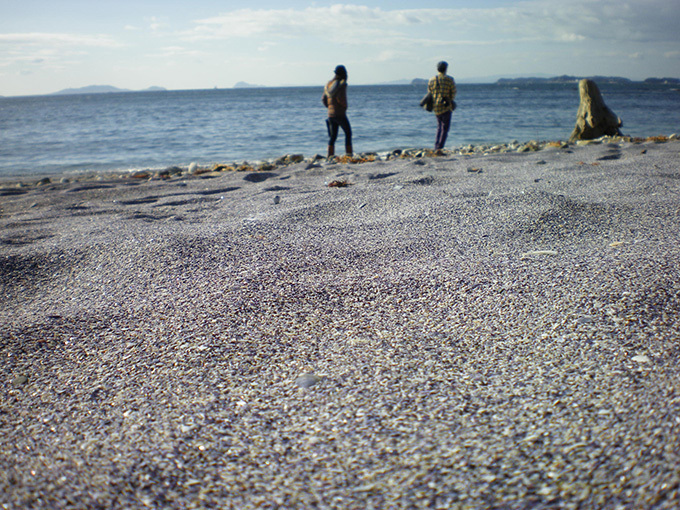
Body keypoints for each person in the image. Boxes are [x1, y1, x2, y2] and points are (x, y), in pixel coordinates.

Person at [322, 65, 352, 157]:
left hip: (330, 115)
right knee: (348, 133)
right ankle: (349, 154)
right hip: (340, 114)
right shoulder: (342, 84)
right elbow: (341, 98)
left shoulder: (328, 84)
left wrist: (330, 107)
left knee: (332, 137)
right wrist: (345, 106)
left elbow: (323, 99)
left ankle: (330, 156)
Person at [428, 61, 456, 151]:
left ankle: (436, 146)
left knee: (439, 127)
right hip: (446, 106)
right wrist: (449, 100)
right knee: (445, 128)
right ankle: (440, 147)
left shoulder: (432, 80)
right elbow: (453, 92)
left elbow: (430, 92)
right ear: (446, 69)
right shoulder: (449, 79)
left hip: (436, 107)